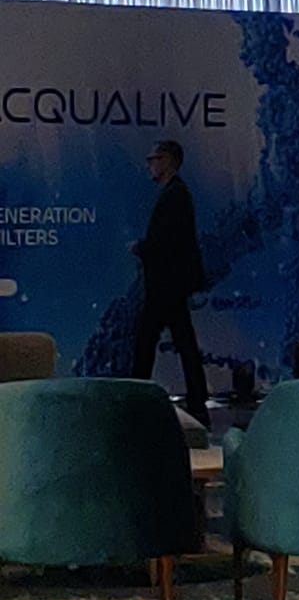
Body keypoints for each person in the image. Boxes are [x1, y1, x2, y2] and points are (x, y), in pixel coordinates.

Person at [130, 139, 210, 426]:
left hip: (166, 285)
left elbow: (167, 242)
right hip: (170, 284)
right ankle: (196, 400)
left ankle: (136, 398)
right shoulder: (175, 193)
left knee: (147, 341)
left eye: (154, 159)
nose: (149, 165)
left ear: (168, 161)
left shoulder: (175, 196)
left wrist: (142, 248)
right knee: (182, 342)